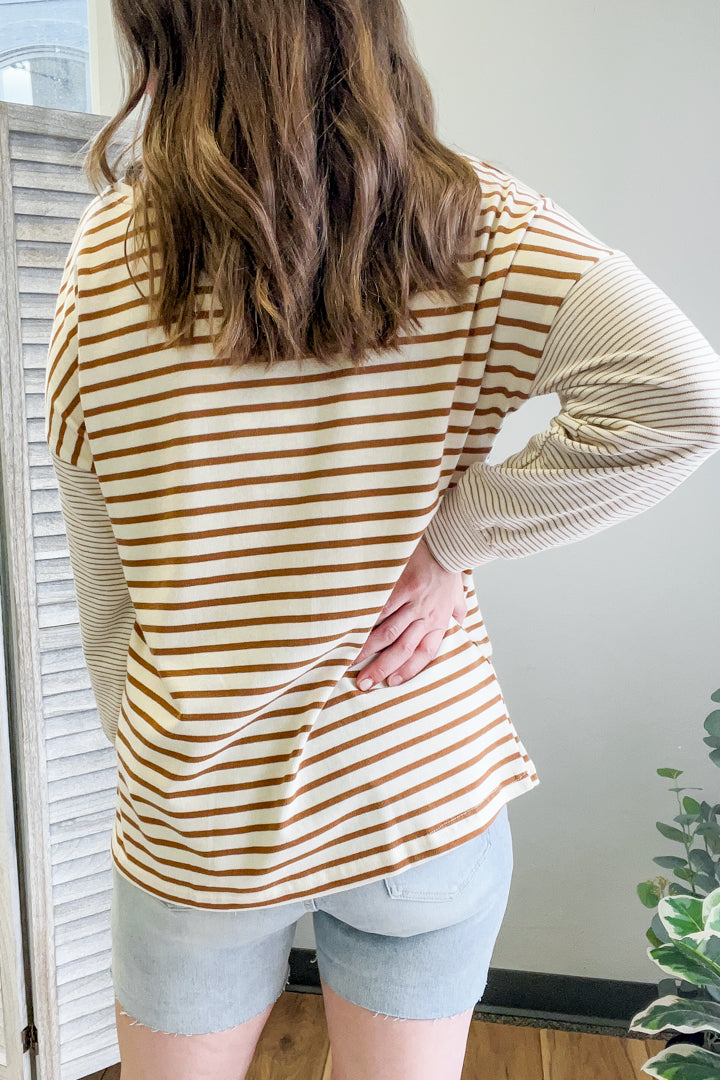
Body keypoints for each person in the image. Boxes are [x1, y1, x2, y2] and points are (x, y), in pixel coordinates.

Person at [45, 1, 720, 1078]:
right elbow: (677, 398)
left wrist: (159, 756)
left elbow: (103, 578)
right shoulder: (475, 223)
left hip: (197, 808)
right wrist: (451, 546)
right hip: (414, 782)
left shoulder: (104, 255)